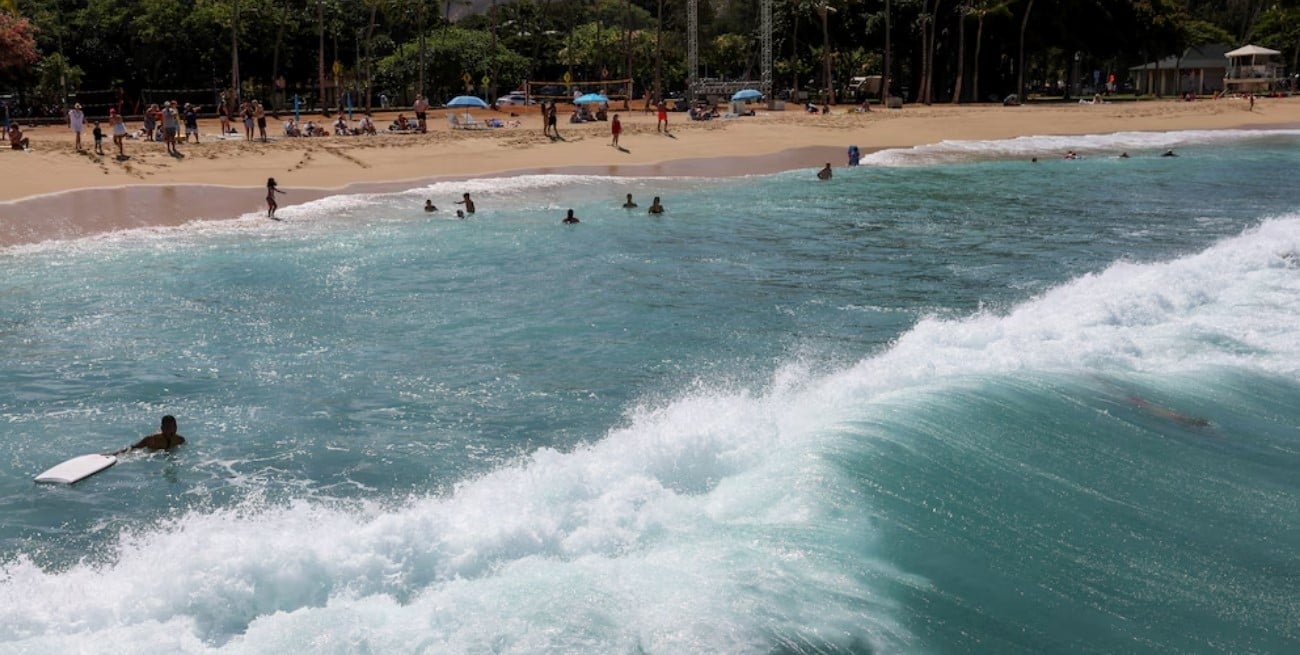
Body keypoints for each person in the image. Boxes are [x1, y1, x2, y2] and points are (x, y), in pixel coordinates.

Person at [108, 415, 186, 455]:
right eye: (168, 428)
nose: (171, 430)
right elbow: (132, 448)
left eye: (173, 427)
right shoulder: (152, 439)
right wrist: (113, 454)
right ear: (162, 428)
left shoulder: (180, 440)